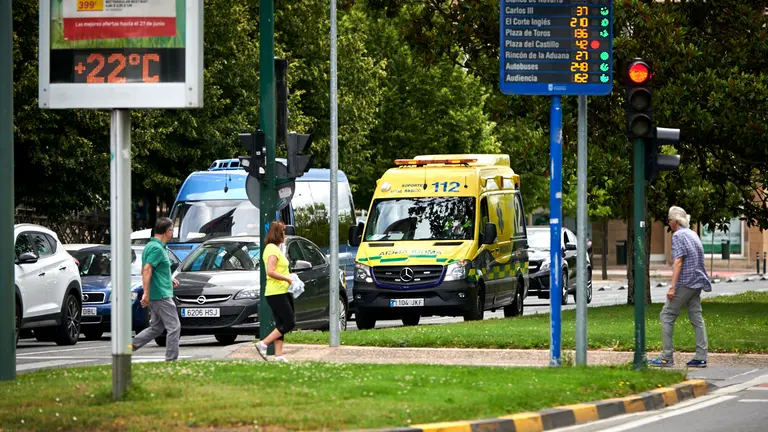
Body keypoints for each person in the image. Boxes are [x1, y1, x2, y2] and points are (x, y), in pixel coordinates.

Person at [649, 206, 711, 368]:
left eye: (669, 220)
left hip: (685, 282)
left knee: (667, 315)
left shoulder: (678, 236)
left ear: (675, 221)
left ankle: (666, 357)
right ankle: (701, 356)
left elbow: (678, 262)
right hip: (697, 282)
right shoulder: (693, 234)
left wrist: (672, 287)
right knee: (696, 317)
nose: (668, 223)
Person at [130, 217, 181, 361]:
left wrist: (169, 278)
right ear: (167, 231)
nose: (173, 233)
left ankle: (129, 347)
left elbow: (156, 269)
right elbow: (147, 270)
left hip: (158, 293)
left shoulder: (153, 246)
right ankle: (171, 360)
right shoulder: (156, 248)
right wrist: (145, 293)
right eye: (172, 230)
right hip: (161, 295)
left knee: (157, 328)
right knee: (174, 327)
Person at [255, 221, 296, 362]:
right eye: (283, 231)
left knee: (281, 323)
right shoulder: (271, 249)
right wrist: (287, 278)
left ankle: (279, 355)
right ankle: (264, 343)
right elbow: (270, 271)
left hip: (282, 290)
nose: (284, 234)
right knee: (289, 322)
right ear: (278, 233)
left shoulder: (276, 249)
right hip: (276, 292)